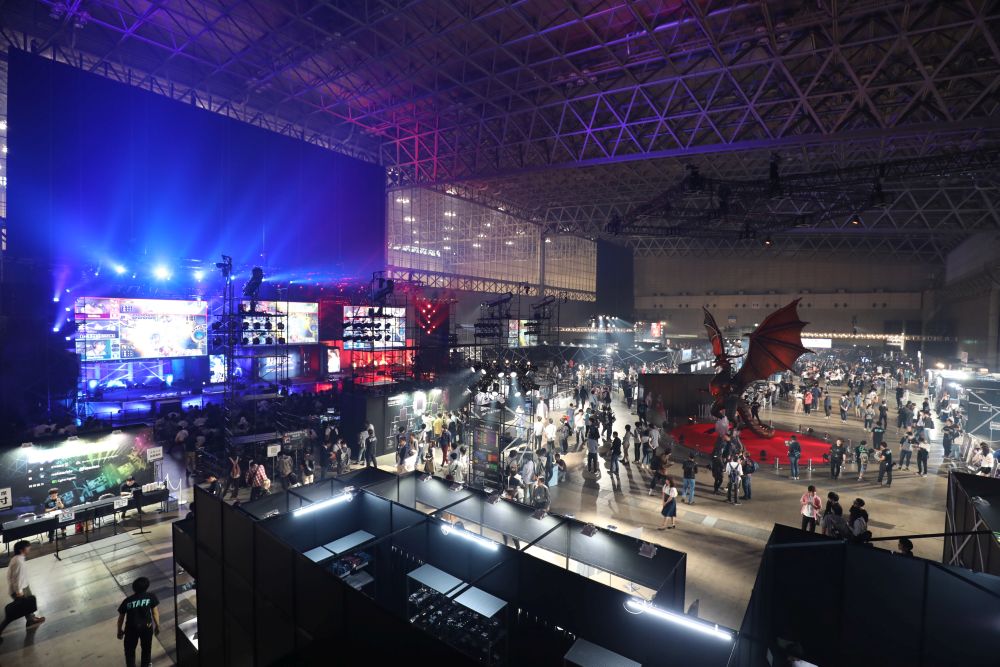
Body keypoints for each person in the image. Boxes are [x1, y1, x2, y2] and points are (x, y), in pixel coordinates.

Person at [0, 540, 46, 642]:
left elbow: (11, 576)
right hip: (20, 590)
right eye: (27, 547)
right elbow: (17, 579)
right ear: (22, 550)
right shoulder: (19, 562)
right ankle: (31, 620)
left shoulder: (16, 558)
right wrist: (19, 592)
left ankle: (31, 620)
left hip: (23, 587)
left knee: (27, 606)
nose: (29, 548)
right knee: (11, 616)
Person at [116, 576, 160, 667]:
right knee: (146, 649)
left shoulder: (127, 601)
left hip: (131, 628)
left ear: (134, 588)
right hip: (146, 627)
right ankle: (146, 665)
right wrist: (157, 626)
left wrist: (119, 630)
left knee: (129, 650)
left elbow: (121, 618)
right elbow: (155, 613)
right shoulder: (151, 596)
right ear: (147, 587)